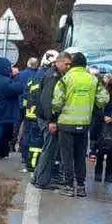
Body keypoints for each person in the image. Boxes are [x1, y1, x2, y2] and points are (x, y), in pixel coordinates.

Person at [52, 52, 108, 196]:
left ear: (72, 64)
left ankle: (69, 186)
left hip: (66, 123)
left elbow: (57, 102)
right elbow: (103, 99)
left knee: (67, 156)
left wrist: (55, 114)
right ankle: (81, 187)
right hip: (84, 124)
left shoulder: (65, 79)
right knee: (80, 156)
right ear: (85, 64)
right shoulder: (93, 80)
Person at [32, 51, 71, 189]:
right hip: (48, 119)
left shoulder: (53, 74)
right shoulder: (53, 77)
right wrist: (52, 121)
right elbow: (47, 100)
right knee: (49, 150)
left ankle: (37, 177)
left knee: (48, 149)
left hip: (45, 117)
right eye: (66, 64)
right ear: (58, 62)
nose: (68, 67)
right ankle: (41, 181)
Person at [17, 57, 40, 168]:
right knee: (30, 133)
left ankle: (14, 145)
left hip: (20, 104)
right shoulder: (38, 76)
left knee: (19, 127)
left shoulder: (21, 74)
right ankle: (27, 156)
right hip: (32, 109)